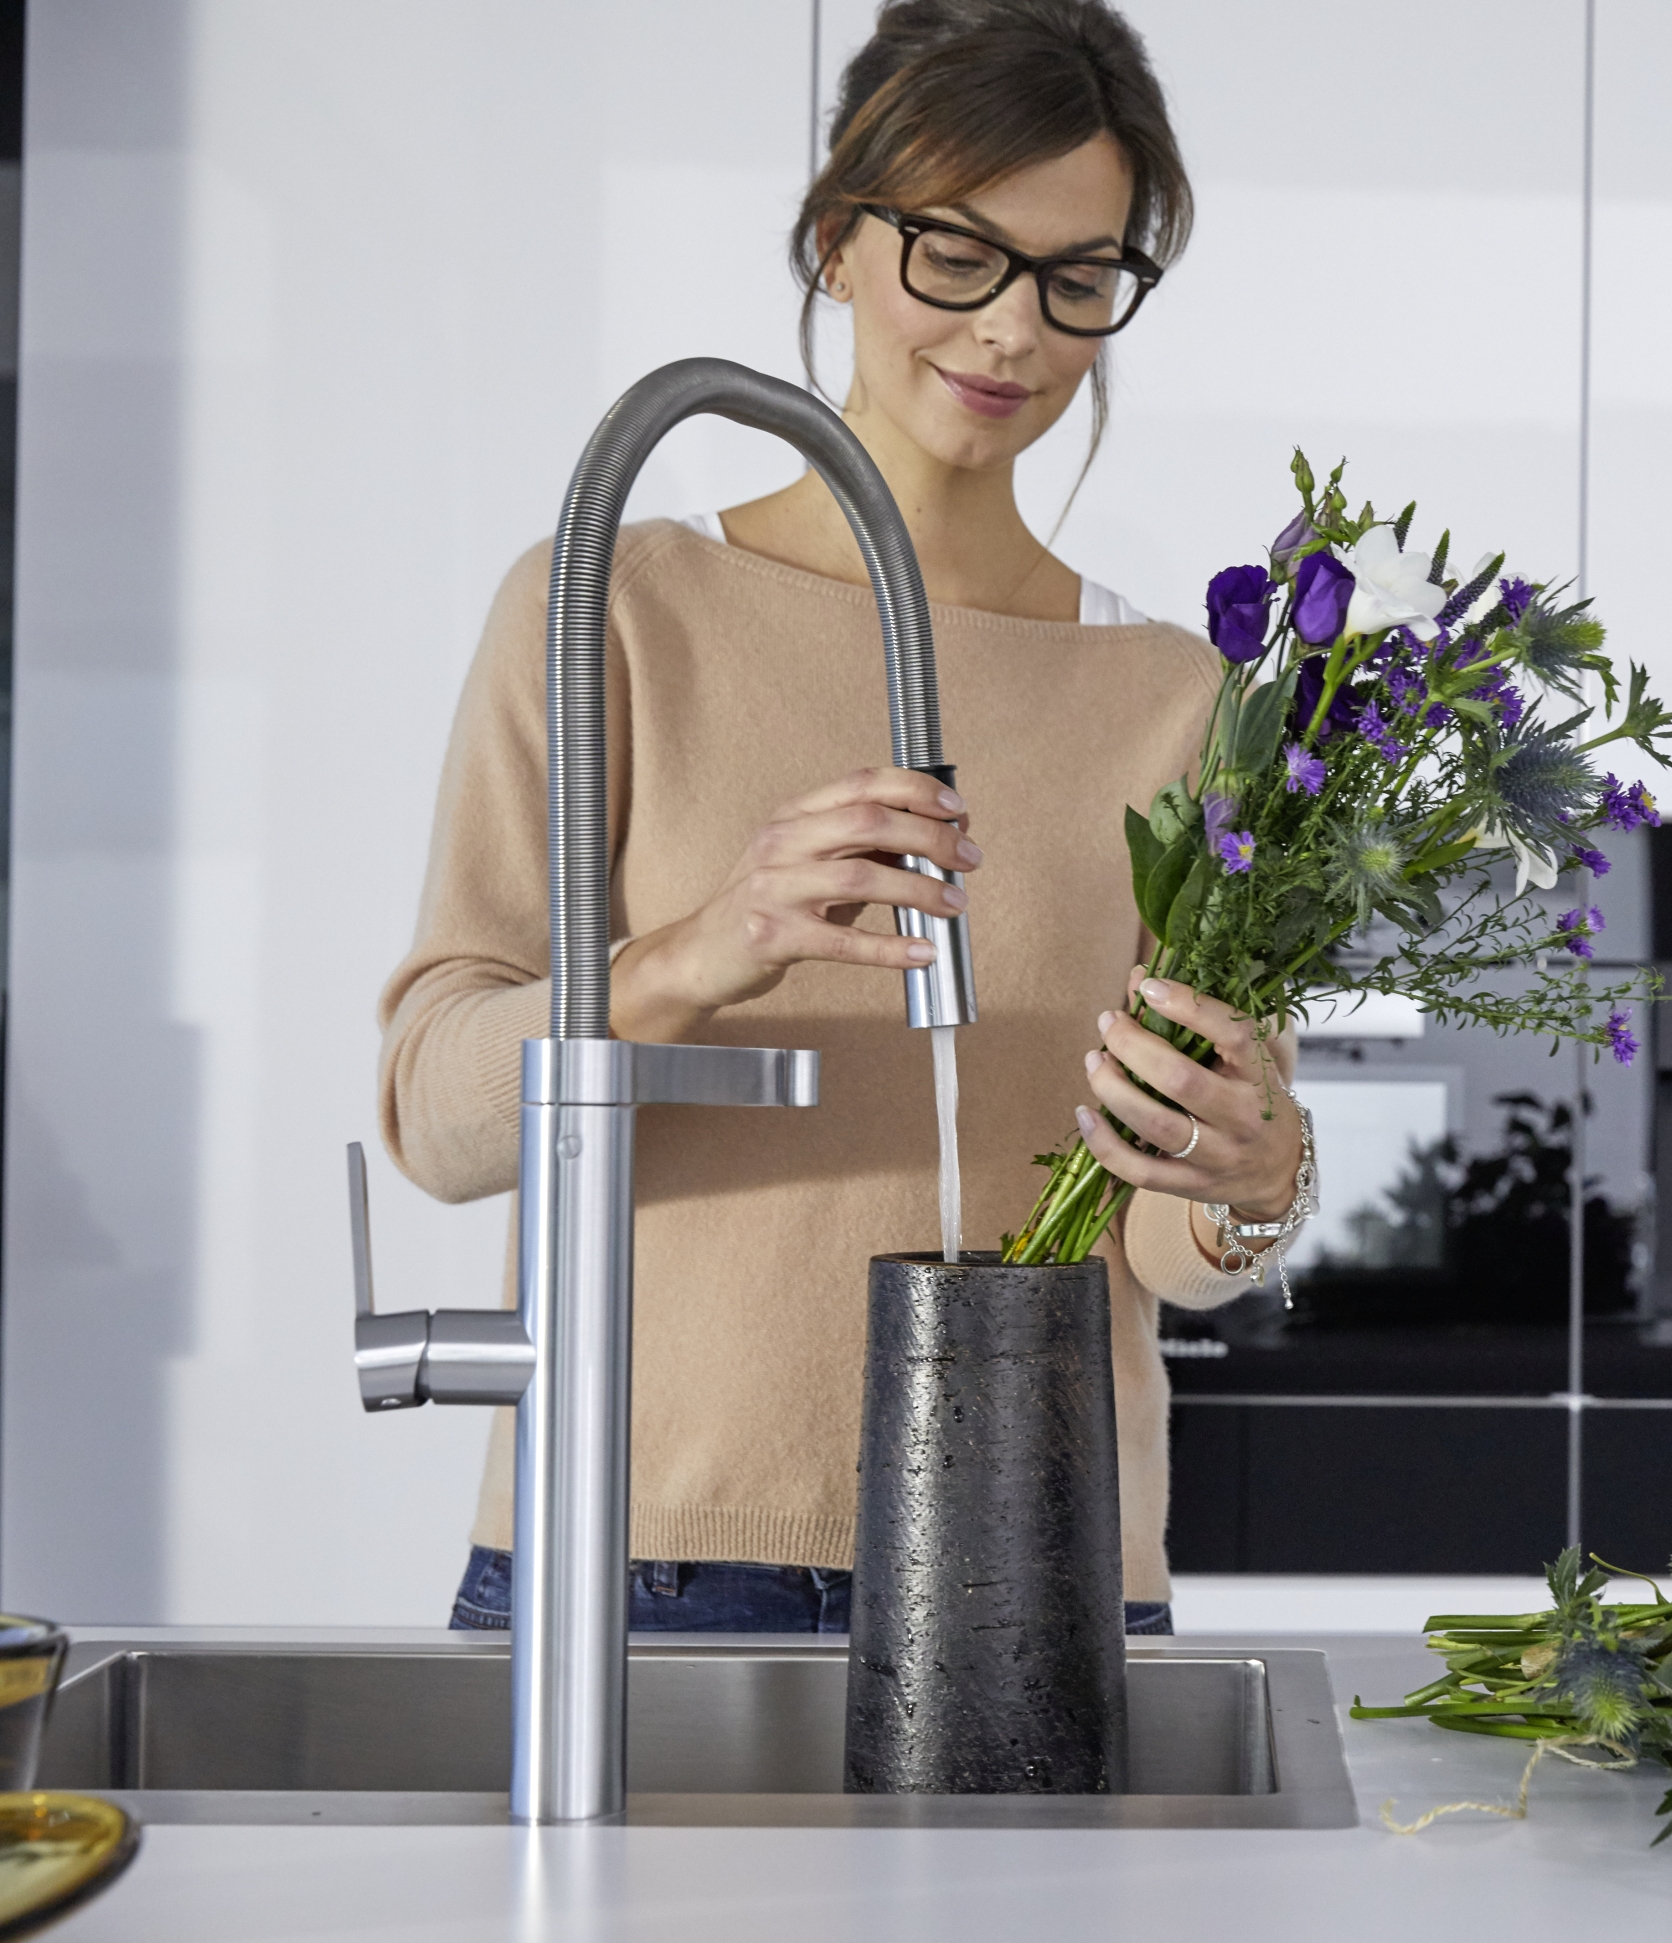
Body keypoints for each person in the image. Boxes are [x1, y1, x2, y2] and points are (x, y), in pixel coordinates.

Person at [380, 0, 1302, 1639]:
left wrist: (1252, 1179)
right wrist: (689, 957)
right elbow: (434, 1120)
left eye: (1077, 276)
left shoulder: (1182, 695)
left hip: (1039, 1567)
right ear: (837, 243)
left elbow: (1169, 1248)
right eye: (957, 252)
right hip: (636, 1559)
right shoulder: (615, 607)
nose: (1015, 331)